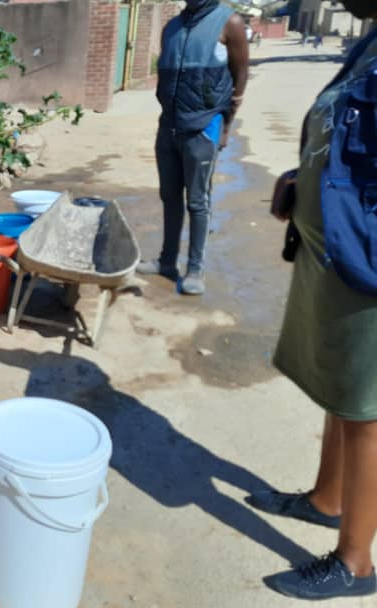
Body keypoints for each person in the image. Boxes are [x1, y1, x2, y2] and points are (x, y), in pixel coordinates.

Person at [245, 2, 377, 600]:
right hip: (335, 251)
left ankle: (355, 563)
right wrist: (303, 178)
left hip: (367, 260)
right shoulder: (368, 46)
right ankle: (327, 500)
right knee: (341, 388)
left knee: (366, 406)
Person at [137, 0, 249, 295]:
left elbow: (240, 75)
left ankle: (195, 269)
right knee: (169, 196)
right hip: (169, 126)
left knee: (198, 201)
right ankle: (167, 261)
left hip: (203, 128)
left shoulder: (230, 23)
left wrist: (226, 125)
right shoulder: (172, 27)